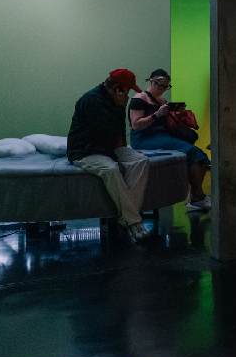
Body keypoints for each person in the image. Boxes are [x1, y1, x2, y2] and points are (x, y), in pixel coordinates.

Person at [67, 69, 152, 242]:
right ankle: (135, 222)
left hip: (108, 148)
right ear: (116, 87)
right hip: (85, 150)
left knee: (141, 161)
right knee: (111, 169)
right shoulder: (91, 100)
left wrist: (119, 108)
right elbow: (106, 131)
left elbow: (119, 133)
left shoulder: (115, 99)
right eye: (127, 89)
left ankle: (127, 215)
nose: (128, 93)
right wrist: (120, 108)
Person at [129, 69, 211, 211]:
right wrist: (157, 114)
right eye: (161, 86)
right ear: (152, 82)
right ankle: (198, 197)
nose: (163, 90)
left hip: (162, 135)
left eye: (166, 86)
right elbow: (136, 125)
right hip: (144, 138)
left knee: (202, 156)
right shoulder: (139, 99)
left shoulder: (162, 101)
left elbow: (166, 125)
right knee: (193, 152)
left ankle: (197, 196)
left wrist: (178, 114)